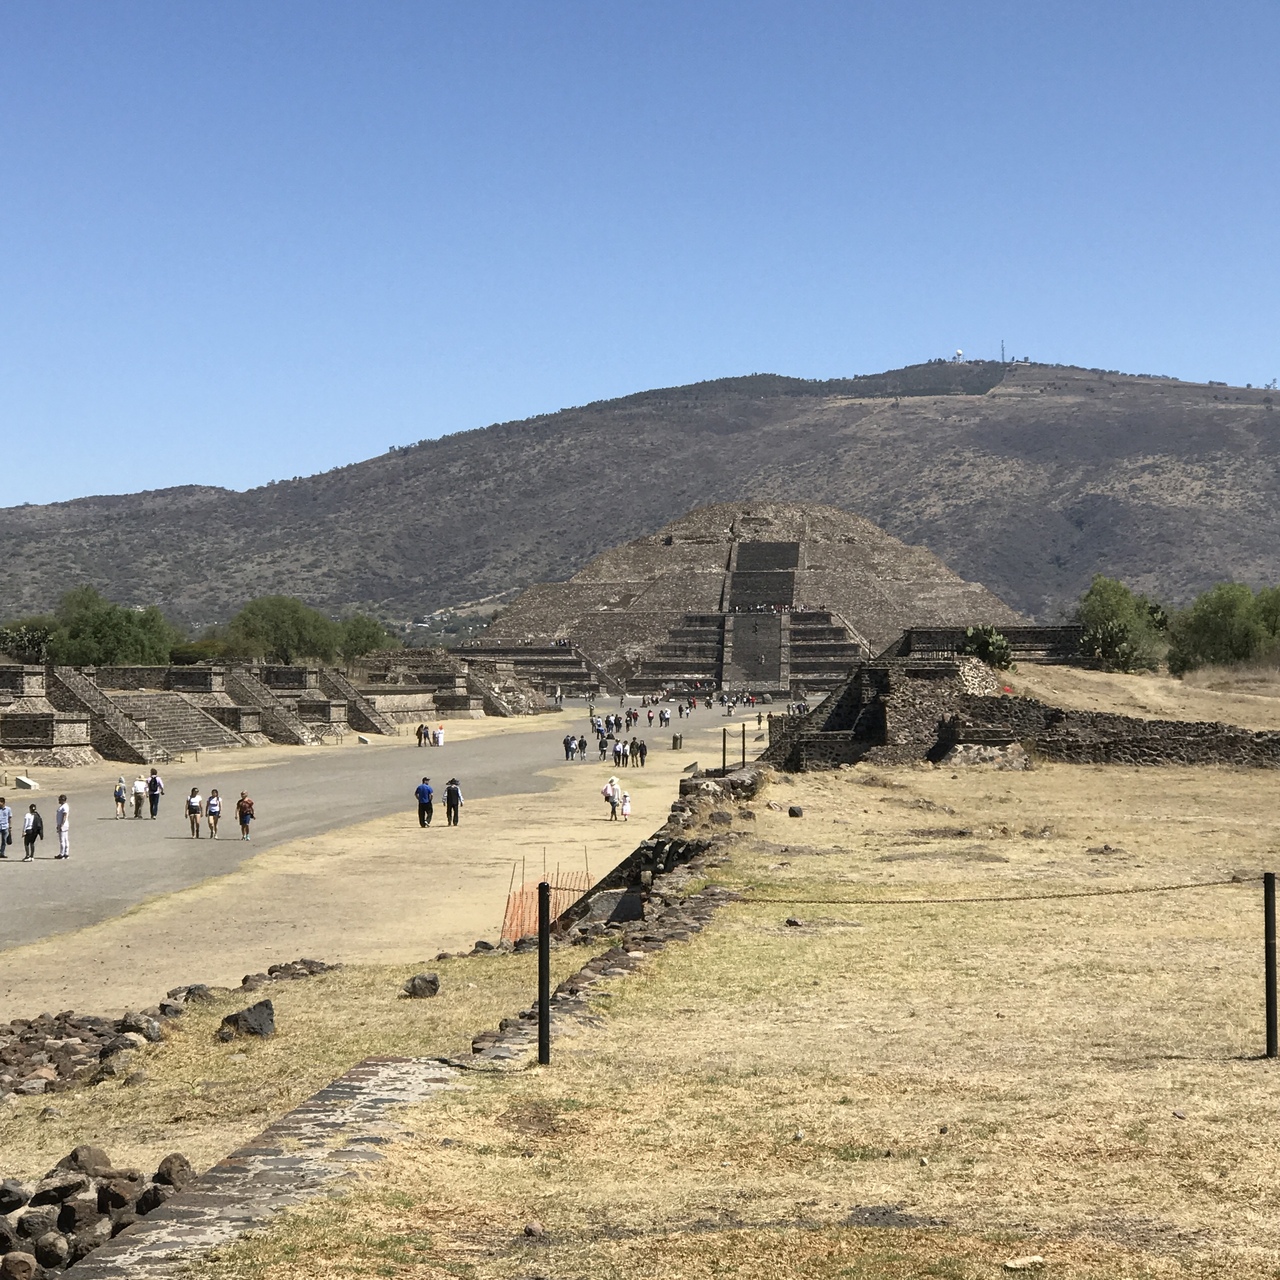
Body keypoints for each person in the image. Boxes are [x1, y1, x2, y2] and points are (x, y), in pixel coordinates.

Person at [54, 794, 70, 859]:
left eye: (60, 799)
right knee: (65, 839)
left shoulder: (64, 807)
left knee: (62, 840)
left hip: (63, 825)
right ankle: (66, 853)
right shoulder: (64, 806)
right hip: (63, 824)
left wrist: (61, 825)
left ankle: (62, 854)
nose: (59, 800)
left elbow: (64, 816)